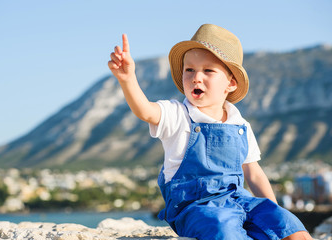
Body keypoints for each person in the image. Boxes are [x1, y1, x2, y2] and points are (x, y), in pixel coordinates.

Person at [108, 24, 313, 240]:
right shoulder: (178, 114)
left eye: (208, 70)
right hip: (195, 207)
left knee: (288, 225)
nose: (197, 77)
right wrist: (127, 79)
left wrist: (274, 211)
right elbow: (145, 110)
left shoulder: (239, 124)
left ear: (231, 83)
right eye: (190, 70)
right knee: (222, 229)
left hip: (238, 199)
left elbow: (253, 172)